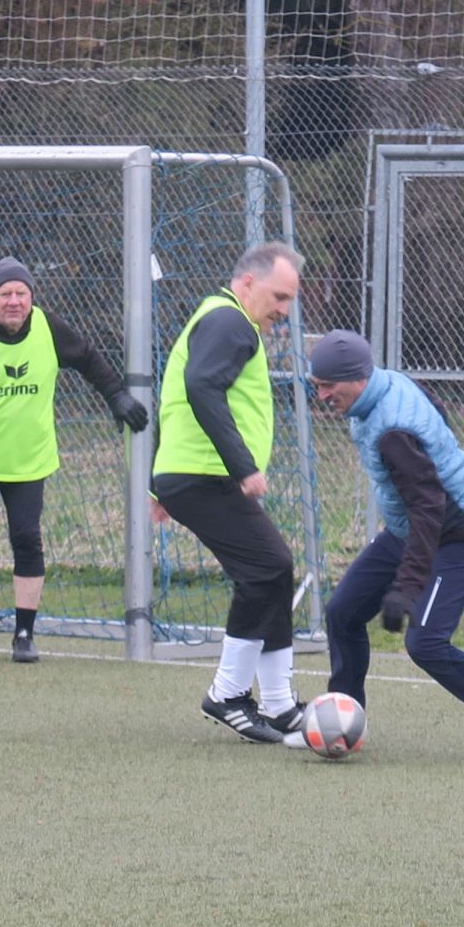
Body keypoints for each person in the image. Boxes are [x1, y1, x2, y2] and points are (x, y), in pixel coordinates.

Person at [296, 329, 464, 761]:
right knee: (343, 613)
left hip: (462, 536)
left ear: (358, 378)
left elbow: (430, 510)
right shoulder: (383, 385)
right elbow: (436, 413)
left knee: (426, 642)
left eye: (329, 386)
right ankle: (342, 718)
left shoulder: (393, 431)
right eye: (317, 385)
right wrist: (447, 452)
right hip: (412, 527)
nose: (323, 395)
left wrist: (406, 588)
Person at [0, 256, 148, 663]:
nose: (15, 301)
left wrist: (116, 396)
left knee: (27, 540)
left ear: (32, 297)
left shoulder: (49, 328)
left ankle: (24, 635)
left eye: (22, 293)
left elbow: (89, 359)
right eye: (5, 294)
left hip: (29, 463)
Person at [151, 241, 305, 743]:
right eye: (279, 297)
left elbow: (175, 394)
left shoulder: (223, 319)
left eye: (289, 299)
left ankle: (279, 705)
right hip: (204, 476)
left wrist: (158, 480)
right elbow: (199, 386)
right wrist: (242, 467)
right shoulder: (230, 321)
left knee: (274, 573)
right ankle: (228, 694)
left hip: (192, 474)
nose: (284, 310)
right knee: (268, 566)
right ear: (248, 283)